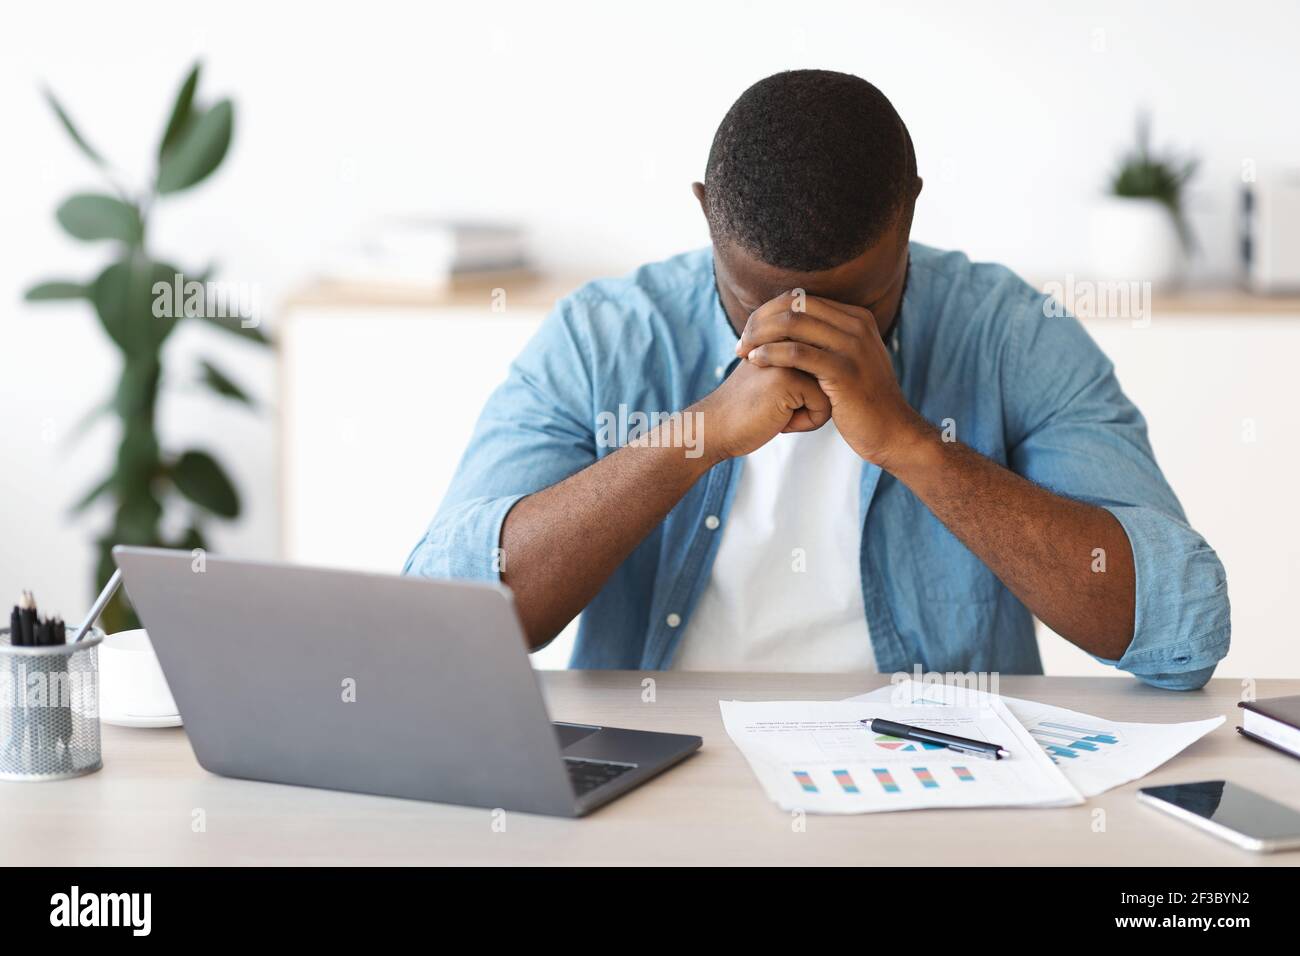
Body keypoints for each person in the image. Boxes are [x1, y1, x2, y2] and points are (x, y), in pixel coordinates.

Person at [404, 69, 1229, 689]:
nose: (805, 340)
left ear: (910, 210)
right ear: (705, 214)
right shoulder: (604, 337)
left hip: (942, 787)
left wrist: (912, 446)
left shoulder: (1011, 334)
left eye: (856, 307)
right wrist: (698, 438)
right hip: (660, 782)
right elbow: (441, 629)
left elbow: (1180, 631)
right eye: (761, 304)